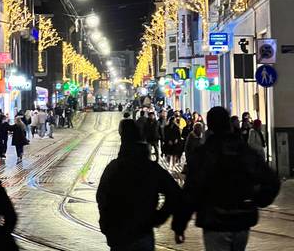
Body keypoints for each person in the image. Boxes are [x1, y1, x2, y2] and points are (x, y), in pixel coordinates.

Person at [173, 106, 280, 251]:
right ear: (229, 124)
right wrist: (257, 200)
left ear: (209, 127)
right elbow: (271, 180)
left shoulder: (204, 154)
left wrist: (180, 224)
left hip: (215, 222)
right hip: (241, 220)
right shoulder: (244, 150)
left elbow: (191, 190)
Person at [97, 120, 183, 251]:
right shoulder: (149, 167)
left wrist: (106, 224)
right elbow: (174, 192)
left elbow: (102, 197)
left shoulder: (114, 168)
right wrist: (157, 218)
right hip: (143, 233)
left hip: (119, 236)